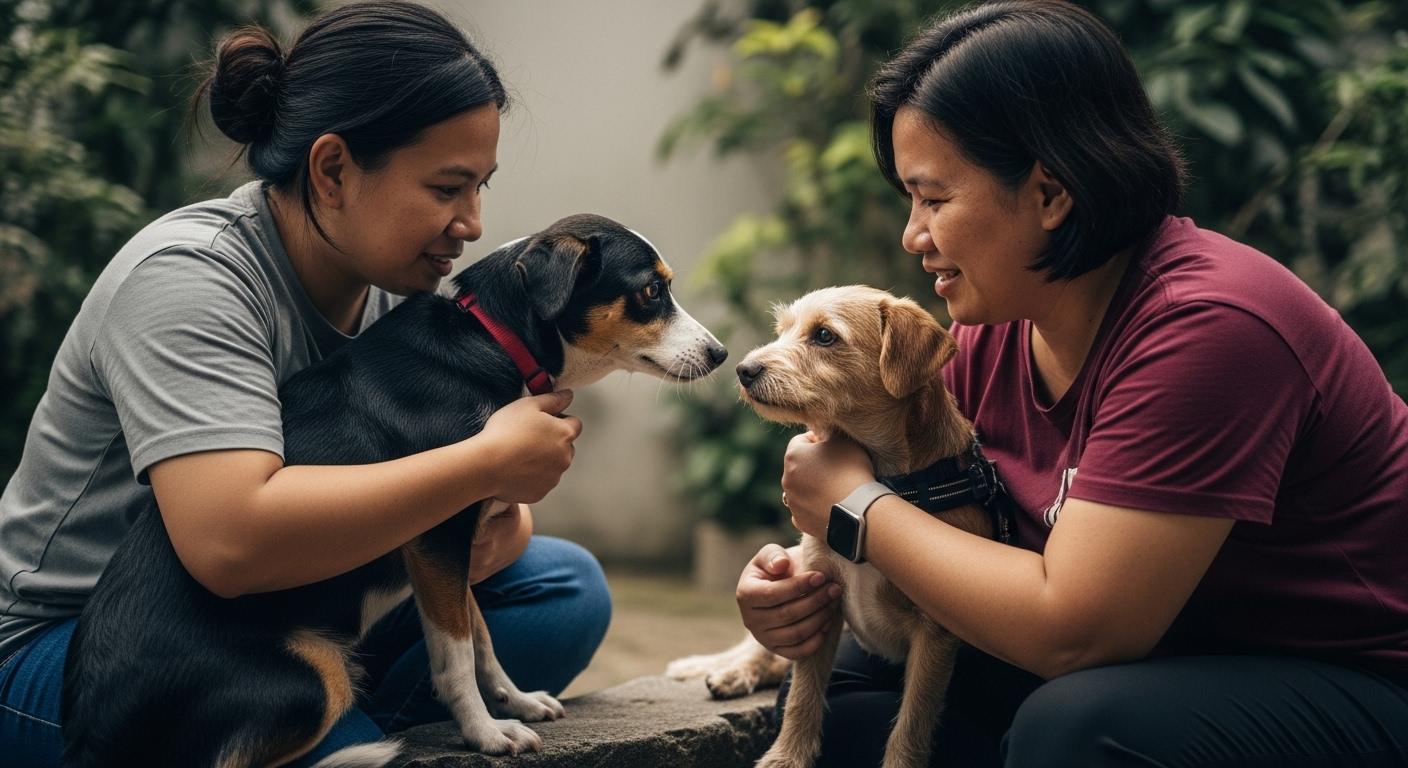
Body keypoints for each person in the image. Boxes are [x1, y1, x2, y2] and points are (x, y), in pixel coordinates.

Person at [735, 2, 1408, 766]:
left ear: (1051, 194)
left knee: (1079, 730)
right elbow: (949, 566)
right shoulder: (993, 328)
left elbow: (1076, 629)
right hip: (1170, 659)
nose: (912, 236)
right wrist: (803, 602)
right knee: (861, 695)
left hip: (1355, 677)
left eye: (934, 198)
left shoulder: (1211, 327)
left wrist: (854, 508)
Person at [0, 3, 610, 765]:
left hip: (284, 611)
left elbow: (468, 530)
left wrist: (496, 505)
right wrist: (483, 465)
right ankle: (325, 720)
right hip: (92, 650)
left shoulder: (393, 292)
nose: (474, 223)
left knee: (560, 589)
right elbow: (230, 544)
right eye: (448, 188)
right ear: (332, 170)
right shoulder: (189, 281)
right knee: (340, 732)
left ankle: (321, 716)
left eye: (482, 186)